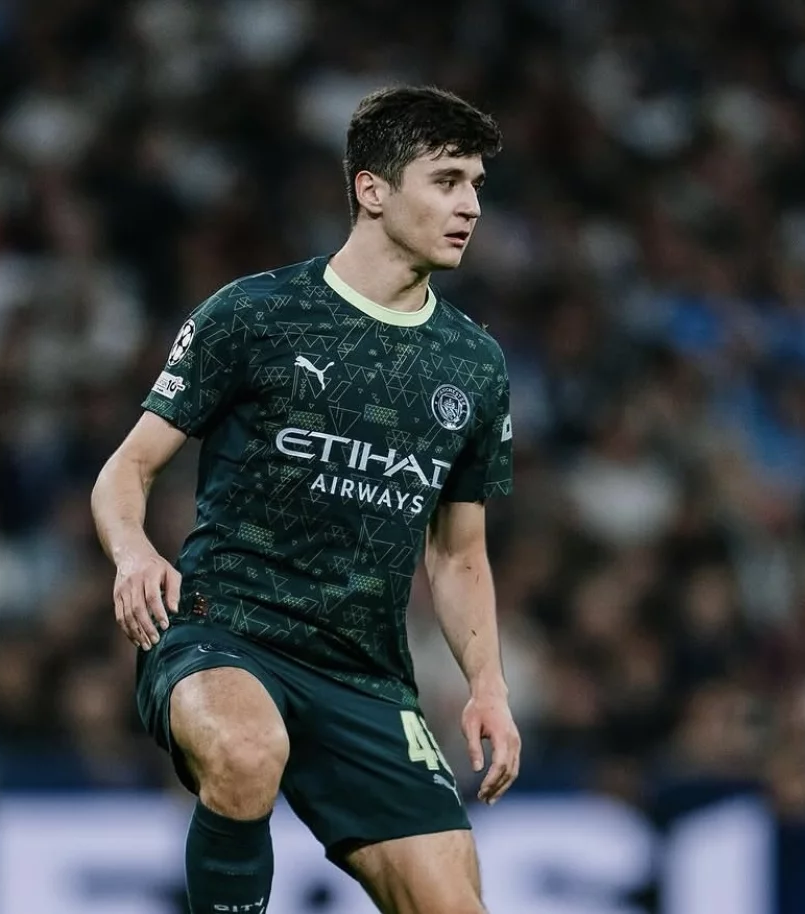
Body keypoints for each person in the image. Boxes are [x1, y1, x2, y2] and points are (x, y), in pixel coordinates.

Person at [91, 85, 520, 914]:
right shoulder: (255, 315)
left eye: (475, 185)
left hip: (363, 671)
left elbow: (458, 553)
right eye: (446, 181)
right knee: (247, 749)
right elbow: (127, 468)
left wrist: (488, 686)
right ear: (372, 189)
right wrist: (134, 552)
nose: (470, 206)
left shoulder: (474, 365)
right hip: (224, 630)